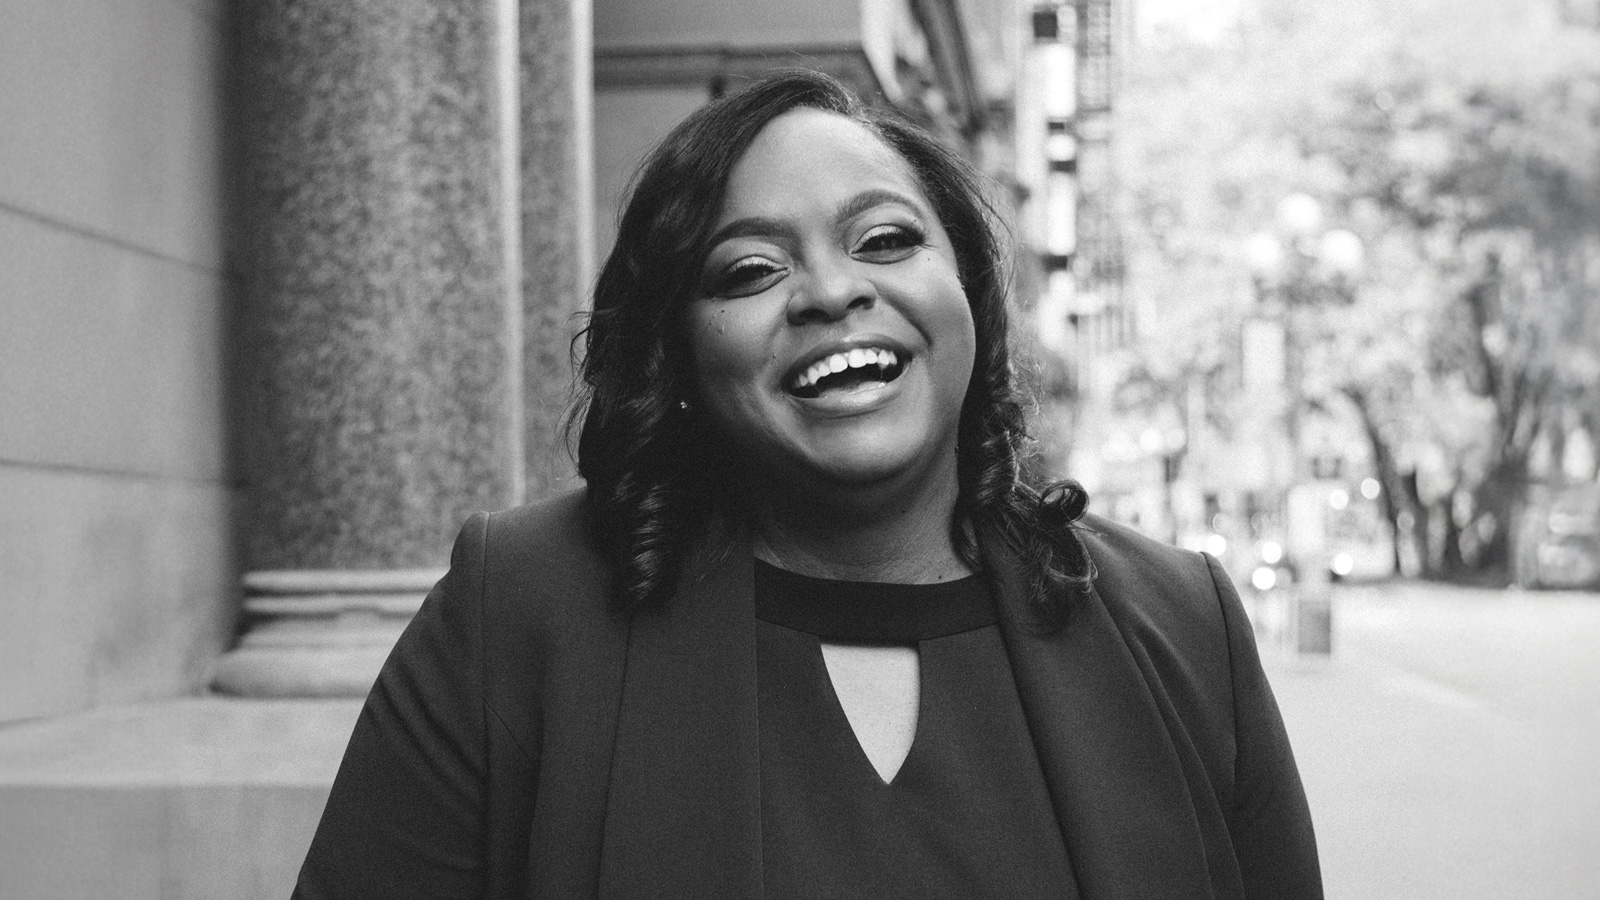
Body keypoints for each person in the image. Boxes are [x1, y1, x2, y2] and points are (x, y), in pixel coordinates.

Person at [292, 69, 1322, 900]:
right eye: (748, 271)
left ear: (968, 297)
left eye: (884, 240)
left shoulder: (1183, 622)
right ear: (679, 360)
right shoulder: (518, 612)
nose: (832, 292)